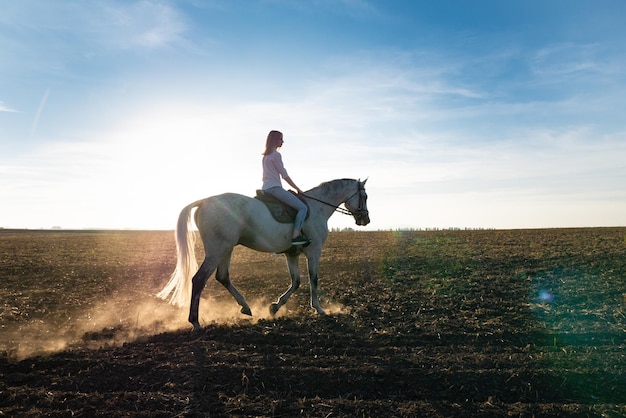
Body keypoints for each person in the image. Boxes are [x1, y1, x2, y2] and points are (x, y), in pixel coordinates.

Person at [261, 130, 310, 246]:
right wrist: (298, 189)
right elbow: (284, 175)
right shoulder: (276, 155)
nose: (283, 141)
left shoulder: (265, 156)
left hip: (265, 188)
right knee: (302, 208)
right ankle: (295, 236)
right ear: (274, 140)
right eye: (280, 139)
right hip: (275, 188)